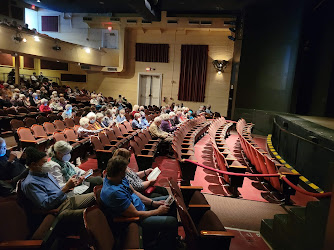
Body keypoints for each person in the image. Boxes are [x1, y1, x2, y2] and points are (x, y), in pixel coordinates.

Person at [21, 147, 95, 248]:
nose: (47, 164)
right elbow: (45, 204)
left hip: (66, 200)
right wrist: (65, 189)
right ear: (34, 164)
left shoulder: (45, 173)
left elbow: (56, 191)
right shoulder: (30, 183)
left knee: (97, 196)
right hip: (57, 211)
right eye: (43, 162)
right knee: (92, 212)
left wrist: (69, 186)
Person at [100, 156, 177, 250]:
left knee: (171, 201)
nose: (127, 172)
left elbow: (135, 193)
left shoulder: (119, 179)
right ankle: (162, 245)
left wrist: (153, 203)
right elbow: (135, 214)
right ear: (120, 172)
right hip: (137, 219)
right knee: (172, 222)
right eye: (125, 170)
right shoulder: (114, 193)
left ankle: (169, 239)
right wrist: (158, 211)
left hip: (142, 207)